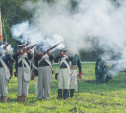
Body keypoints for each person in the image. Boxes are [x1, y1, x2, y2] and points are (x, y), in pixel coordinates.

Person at [0, 36, 13, 103]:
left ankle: (4, 98)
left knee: (4, 84)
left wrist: (11, 72)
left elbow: (11, 61)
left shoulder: (7, 53)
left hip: (3, 69)